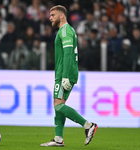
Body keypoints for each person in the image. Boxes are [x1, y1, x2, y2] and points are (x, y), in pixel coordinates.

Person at [40, 5, 98, 147]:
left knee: (57, 105)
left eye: (53, 15)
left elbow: (67, 54)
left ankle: (88, 125)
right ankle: (58, 139)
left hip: (64, 73)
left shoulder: (65, 30)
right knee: (60, 104)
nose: (50, 18)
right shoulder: (68, 30)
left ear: (61, 15)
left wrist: (65, 76)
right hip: (65, 72)